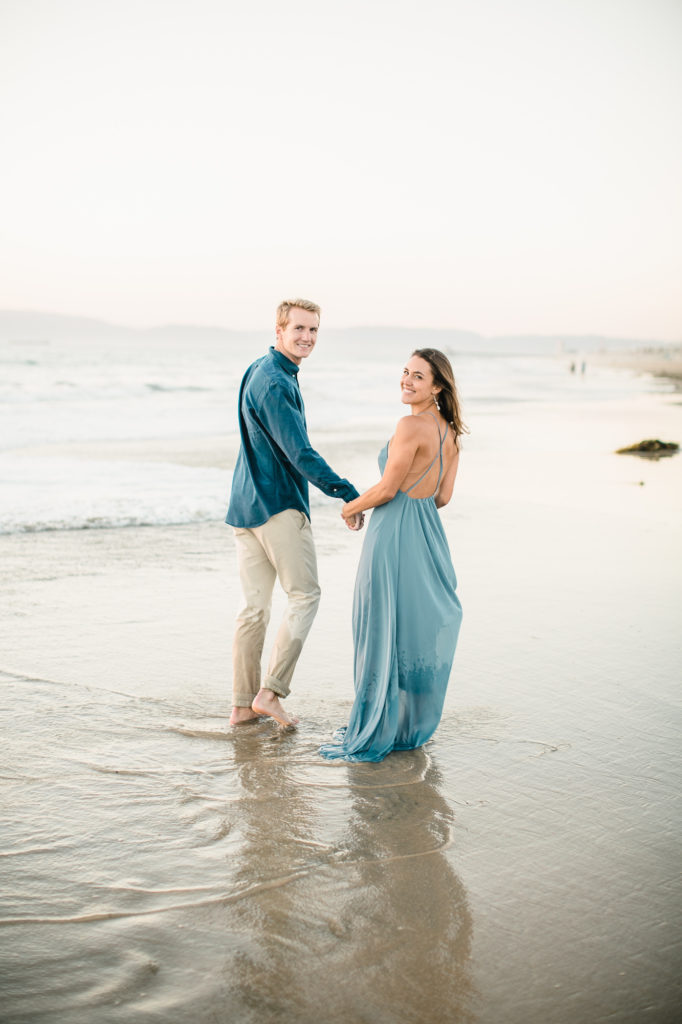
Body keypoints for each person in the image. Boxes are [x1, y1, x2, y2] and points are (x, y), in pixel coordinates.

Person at [319, 348, 465, 762]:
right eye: (405, 372)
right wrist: (414, 507)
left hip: (391, 532)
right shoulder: (450, 433)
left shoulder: (409, 425)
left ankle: (377, 723)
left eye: (418, 376)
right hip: (425, 532)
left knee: (378, 623)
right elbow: (443, 497)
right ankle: (408, 725)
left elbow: (386, 489)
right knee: (410, 624)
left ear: (437, 386)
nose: (407, 380)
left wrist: (349, 508)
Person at [226, 298, 362, 729]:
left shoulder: (258, 370)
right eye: (299, 329)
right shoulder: (277, 382)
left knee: (254, 610)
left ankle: (241, 707)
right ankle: (271, 692)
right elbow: (299, 452)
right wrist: (347, 493)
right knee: (305, 595)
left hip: (246, 508)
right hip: (279, 506)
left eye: (314, 330)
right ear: (279, 330)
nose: (307, 337)